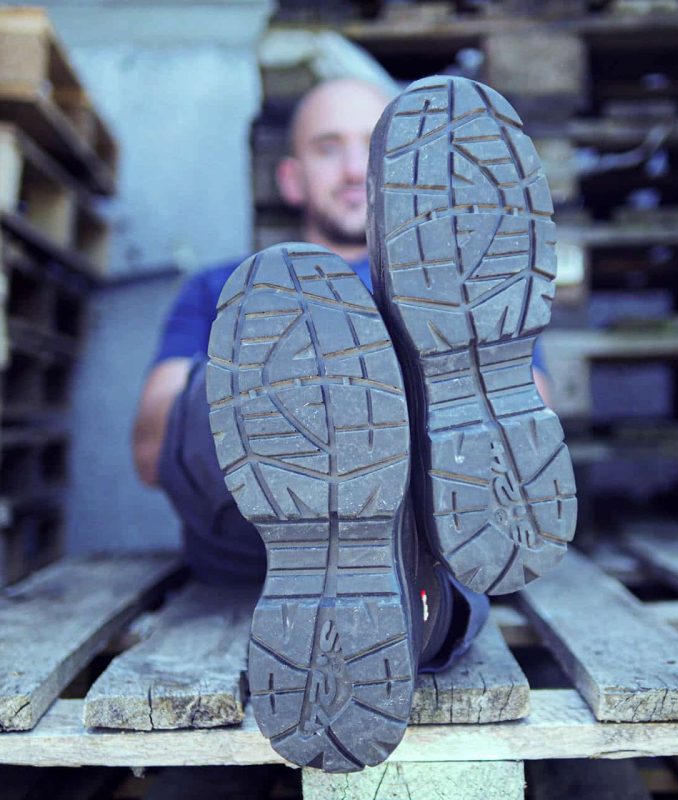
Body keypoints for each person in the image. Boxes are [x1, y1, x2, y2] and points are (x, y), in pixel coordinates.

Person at [132, 76, 575, 773]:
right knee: (246, 356)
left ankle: (393, 549)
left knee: (441, 521)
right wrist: (260, 392)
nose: (350, 168)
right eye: (326, 147)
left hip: (424, 532)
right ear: (291, 176)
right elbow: (152, 448)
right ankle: (334, 458)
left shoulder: (461, 293)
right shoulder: (221, 284)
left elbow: (524, 440)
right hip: (245, 530)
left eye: (372, 148)